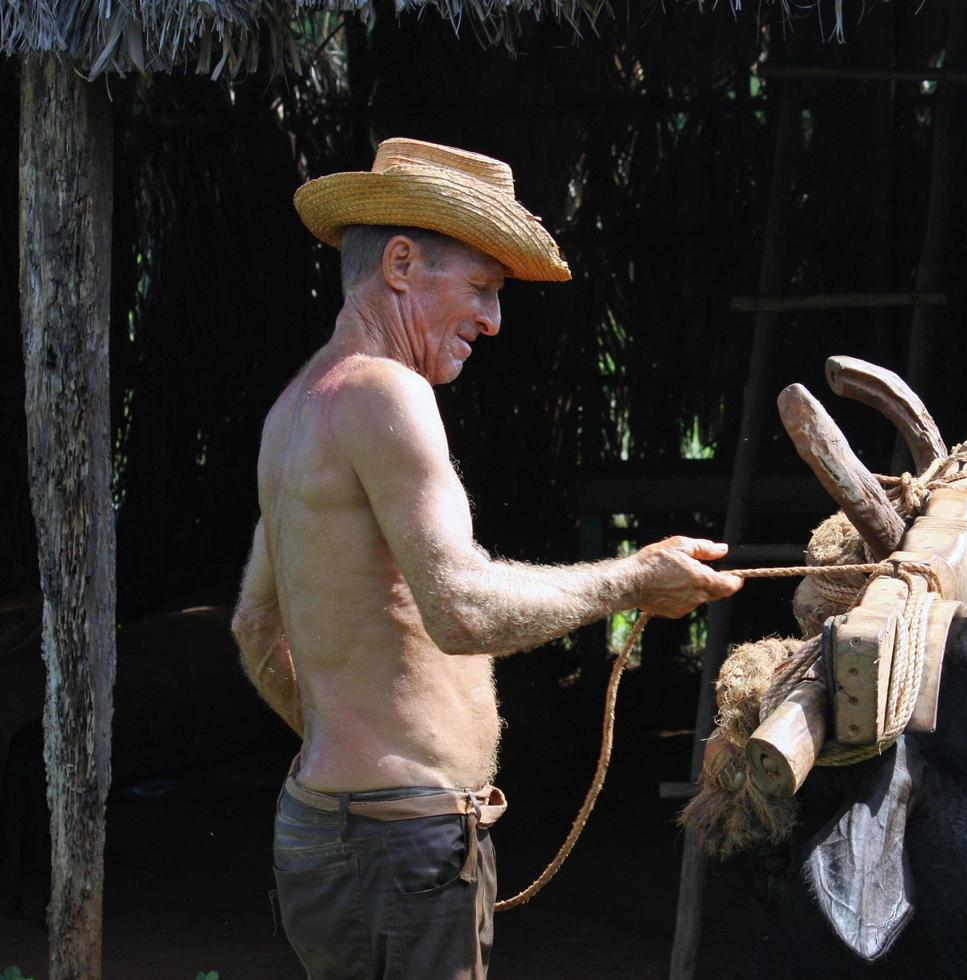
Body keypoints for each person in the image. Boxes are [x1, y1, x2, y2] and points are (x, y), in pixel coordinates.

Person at [230, 138, 742, 980]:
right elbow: (461, 611)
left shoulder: (296, 409)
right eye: (480, 289)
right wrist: (635, 580)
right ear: (401, 263)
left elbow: (256, 626)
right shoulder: (385, 391)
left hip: (331, 827)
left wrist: (349, 762)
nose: (494, 321)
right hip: (398, 842)